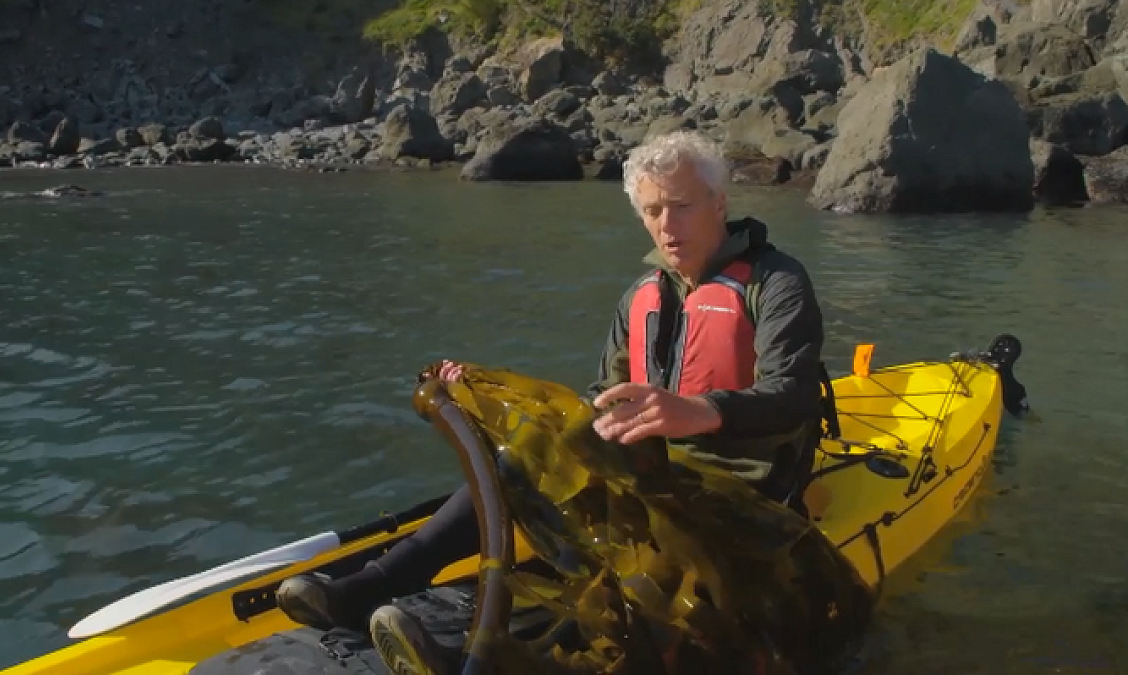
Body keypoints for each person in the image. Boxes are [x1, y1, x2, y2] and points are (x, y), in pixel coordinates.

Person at [275, 129, 829, 671]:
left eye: (681, 206)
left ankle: (490, 661)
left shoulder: (774, 282)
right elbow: (597, 401)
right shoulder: (642, 296)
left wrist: (704, 412)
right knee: (521, 459)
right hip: (653, 473)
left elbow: (794, 394)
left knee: (651, 582)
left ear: (720, 202)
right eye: (653, 211)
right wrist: (482, 396)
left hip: (740, 491)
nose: (666, 225)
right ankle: (371, 587)